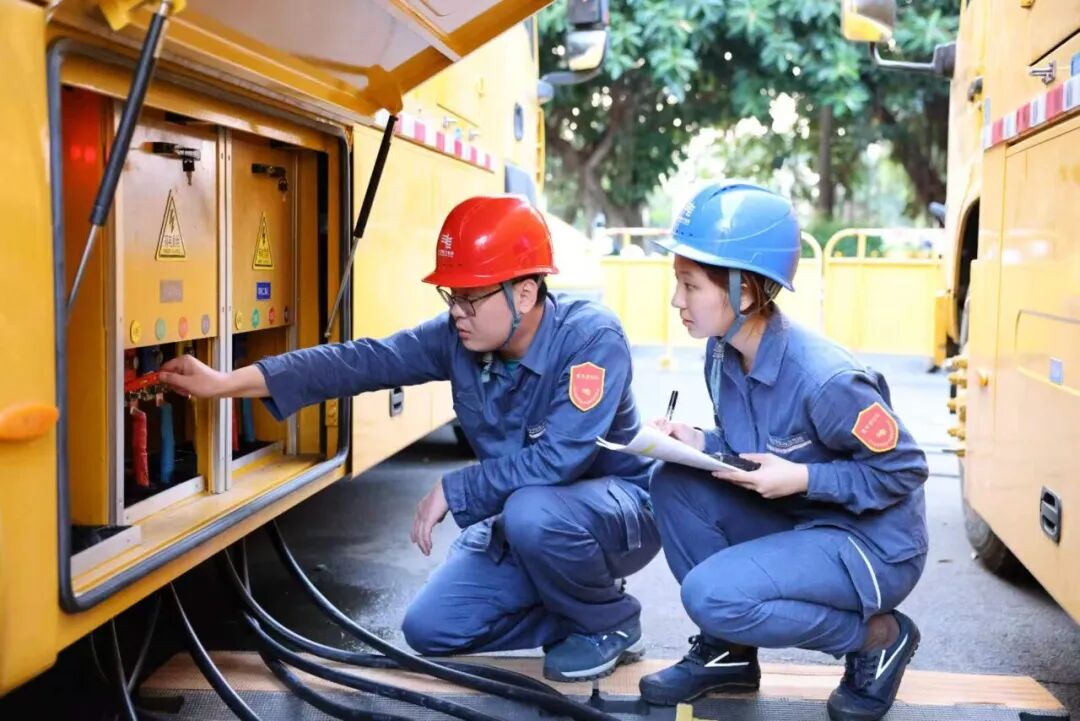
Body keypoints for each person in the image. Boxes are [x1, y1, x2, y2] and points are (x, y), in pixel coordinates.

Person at [159, 195, 660, 682]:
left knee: (532, 512)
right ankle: (575, 609)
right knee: (431, 629)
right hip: (528, 520)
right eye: (451, 296)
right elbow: (360, 361)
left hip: (617, 515)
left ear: (524, 294)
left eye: (470, 297)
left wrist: (455, 489)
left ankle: (609, 620)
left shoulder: (591, 339)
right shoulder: (458, 338)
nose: (457, 311)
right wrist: (225, 383)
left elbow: (558, 460)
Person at [637, 182, 928, 721]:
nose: (677, 300)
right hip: (802, 516)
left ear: (745, 292)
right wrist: (697, 441)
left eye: (690, 285)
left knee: (710, 594)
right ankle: (729, 652)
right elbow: (753, 445)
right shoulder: (721, 353)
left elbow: (905, 469)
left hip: (871, 544)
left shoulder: (826, 379)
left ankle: (878, 638)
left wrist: (804, 479)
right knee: (672, 481)